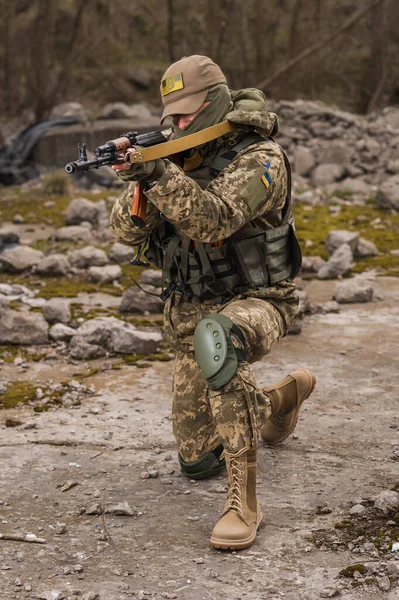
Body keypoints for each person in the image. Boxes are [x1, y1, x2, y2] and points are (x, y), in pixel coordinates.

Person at [110, 55, 316, 550]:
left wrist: (158, 173)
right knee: (198, 460)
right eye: (171, 117)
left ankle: (243, 503)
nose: (178, 124)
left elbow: (216, 219)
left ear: (217, 101)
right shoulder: (176, 158)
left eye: (186, 113)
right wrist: (141, 180)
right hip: (192, 311)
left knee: (219, 339)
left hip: (260, 298)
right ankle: (280, 398)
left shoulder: (260, 157)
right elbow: (121, 230)